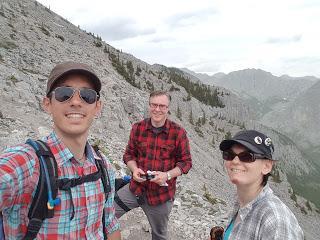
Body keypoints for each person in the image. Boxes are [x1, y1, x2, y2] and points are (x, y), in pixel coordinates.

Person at [0, 61, 121, 239]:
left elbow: (110, 225)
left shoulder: (103, 167)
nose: (76, 102)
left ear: (97, 107)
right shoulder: (27, 162)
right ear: (47, 104)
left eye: (87, 95)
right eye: (64, 94)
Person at [115, 90, 192, 240]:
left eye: (162, 106)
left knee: (159, 235)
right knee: (107, 215)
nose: (157, 109)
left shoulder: (178, 133)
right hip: (135, 189)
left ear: (168, 108)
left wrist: (167, 175)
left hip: (160, 197)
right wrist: (134, 169)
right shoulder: (138, 128)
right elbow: (129, 155)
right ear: (149, 105)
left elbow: (186, 163)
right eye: (154, 105)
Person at [217, 130, 304, 240]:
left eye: (247, 156)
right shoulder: (241, 204)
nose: (234, 161)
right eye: (229, 155)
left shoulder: (275, 220)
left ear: (266, 166)